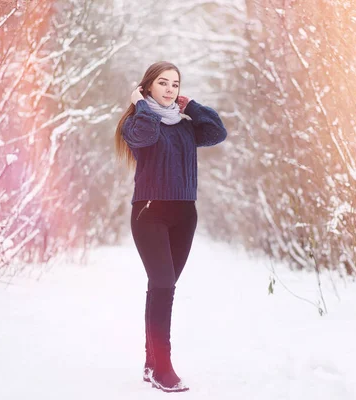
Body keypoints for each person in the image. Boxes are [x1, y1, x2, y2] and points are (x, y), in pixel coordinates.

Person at [114, 61, 227, 392]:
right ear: (147, 87)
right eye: (162, 83)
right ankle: (163, 367)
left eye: (175, 84)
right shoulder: (137, 123)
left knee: (163, 288)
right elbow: (146, 136)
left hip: (184, 214)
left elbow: (217, 132)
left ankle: (152, 364)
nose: (169, 89)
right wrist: (139, 105)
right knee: (163, 282)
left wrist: (191, 106)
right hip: (149, 213)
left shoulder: (187, 127)